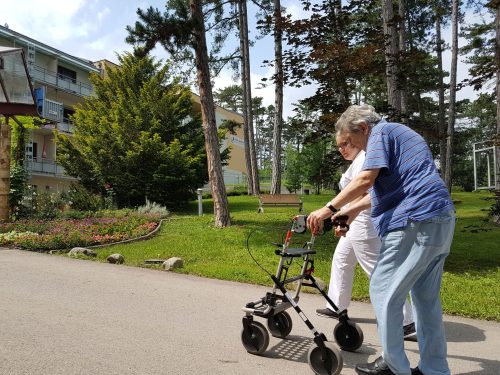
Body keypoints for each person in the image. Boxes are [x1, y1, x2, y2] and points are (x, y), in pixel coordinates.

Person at [307, 104, 455, 375]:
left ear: (363, 128)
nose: (355, 149)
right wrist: (348, 212)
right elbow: (390, 189)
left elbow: (365, 179)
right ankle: (435, 369)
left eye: (349, 142)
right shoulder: (402, 134)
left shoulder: (380, 134)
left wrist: (328, 209)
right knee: (426, 301)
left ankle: (394, 366)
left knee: (383, 289)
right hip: (440, 218)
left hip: (413, 220)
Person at [315, 134, 416, 341]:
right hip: (354, 220)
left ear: (356, 139)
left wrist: (342, 216)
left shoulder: (365, 157)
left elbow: (365, 191)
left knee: (377, 271)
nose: (342, 149)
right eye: (339, 146)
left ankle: (408, 322)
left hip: (363, 223)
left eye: (345, 144)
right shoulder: (358, 160)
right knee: (342, 260)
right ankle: (336, 306)